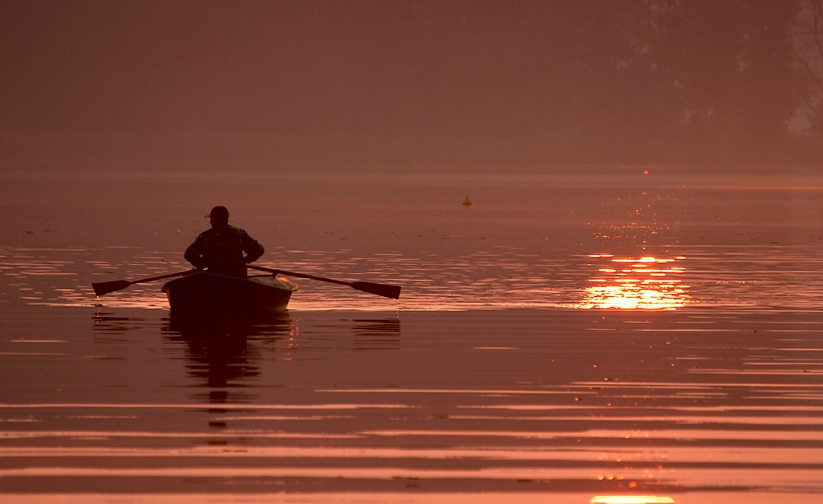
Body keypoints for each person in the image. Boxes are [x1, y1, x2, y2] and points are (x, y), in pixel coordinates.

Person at [184, 206, 265, 277]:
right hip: (234, 275)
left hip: (213, 276)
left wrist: (203, 265)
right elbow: (258, 249)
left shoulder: (205, 237)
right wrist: (243, 261)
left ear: (220, 219)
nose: (210, 221)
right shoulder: (239, 234)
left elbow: (189, 254)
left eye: (212, 218)